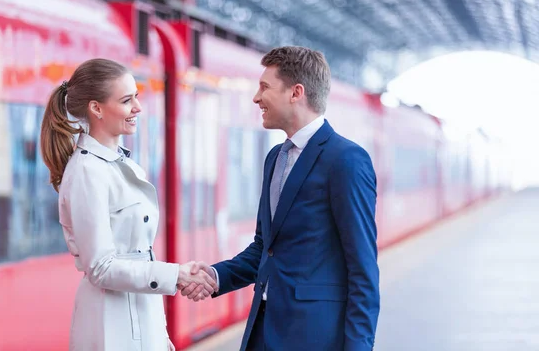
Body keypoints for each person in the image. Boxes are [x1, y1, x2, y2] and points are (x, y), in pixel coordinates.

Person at [180, 47, 380, 350]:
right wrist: (215, 275)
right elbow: (265, 249)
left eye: (264, 87)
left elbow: (362, 268)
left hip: (314, 337)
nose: (256, 98)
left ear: (296, 93)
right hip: (264, 331)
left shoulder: (346, 159)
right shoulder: (275, 158)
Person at [39, 58, 217, 351]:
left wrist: (160, 336)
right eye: (126, 100)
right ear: (96, 108)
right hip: (113, 326)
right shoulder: (88, 171)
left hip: (138, 321)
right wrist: (176, 274)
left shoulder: (118, 164)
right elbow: (101, 267)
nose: (138, 107)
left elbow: (138, 257)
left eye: (136, 96)